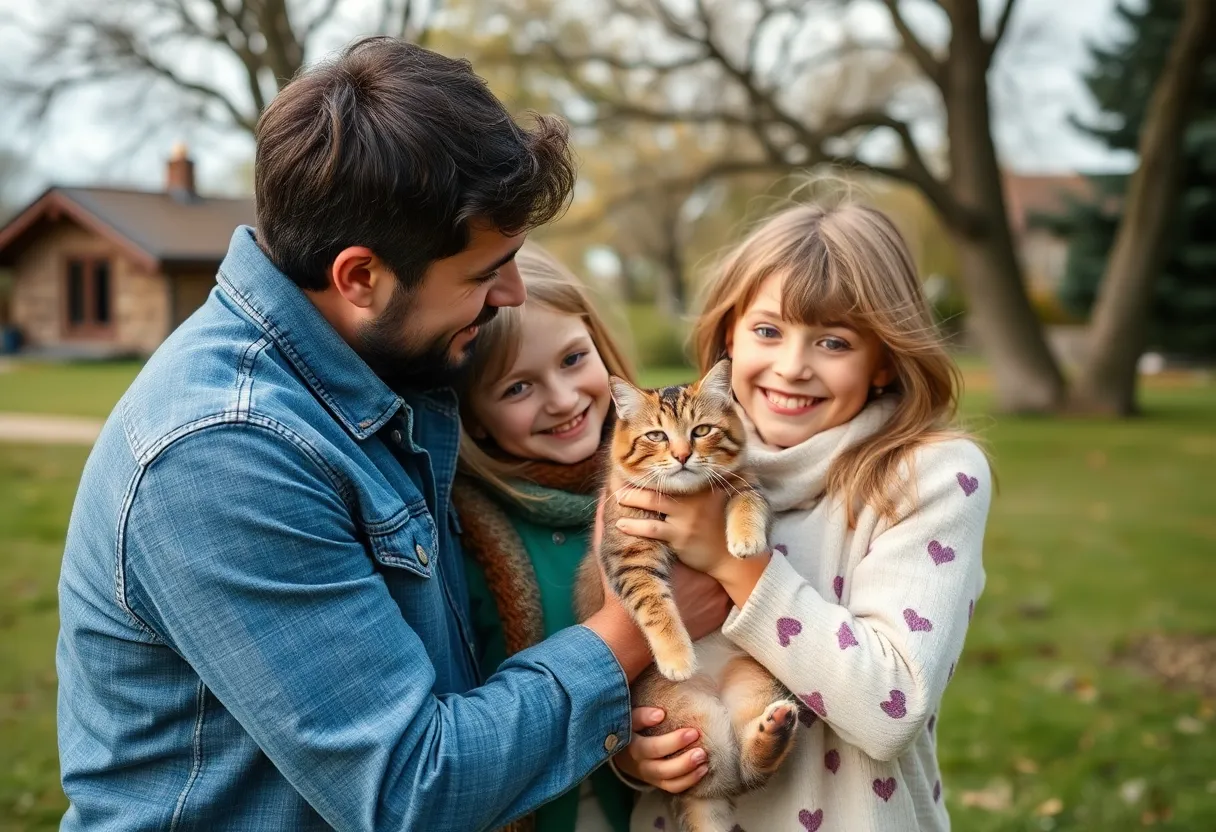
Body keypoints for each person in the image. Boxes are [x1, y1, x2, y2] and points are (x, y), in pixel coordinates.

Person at [55, 38, 725, 831]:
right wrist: (633, 629)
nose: (512, 294)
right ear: (360, 278)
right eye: (484, 274)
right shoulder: (222, 457)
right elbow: (411, 788)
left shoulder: (369, 372)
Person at [613, 201, 993, 830]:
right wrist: (634, 753)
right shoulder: (662, 468)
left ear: (885, 360)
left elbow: (891, 707)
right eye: (768, 331)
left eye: (834, 341)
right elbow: (635, 655)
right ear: (728, 338)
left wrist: (736, 567)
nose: (793, 365)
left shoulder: (930, 478)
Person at [453, 243, 724, 832]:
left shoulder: (681, 487)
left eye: (575, 359)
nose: (563, 398)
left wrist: (643, 750)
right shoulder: (465, 534)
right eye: (516, 389)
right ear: (473, 416)